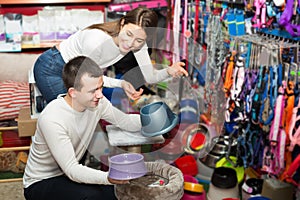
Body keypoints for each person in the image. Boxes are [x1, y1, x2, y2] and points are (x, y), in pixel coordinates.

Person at [23, 56, 142, 200]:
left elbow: (125, 121)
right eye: (93, 91)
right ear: (73, 92)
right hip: (41, 182)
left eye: (101, 87)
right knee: (92, 197)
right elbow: (72, 169)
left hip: (67, 175)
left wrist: (151, 120)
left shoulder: (98, 103)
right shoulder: (53, 118)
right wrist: (109, 177)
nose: (100, 95)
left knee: (116, 193)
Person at [33, 6, 188, 104]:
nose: (130, 43)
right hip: (53, 67)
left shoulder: (137, 43)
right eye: (128, 34)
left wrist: (169, 71)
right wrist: (120, 84)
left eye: (139, 40)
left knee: (81, 119)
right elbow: (88, 79)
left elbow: (150, 77)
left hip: (79, 72)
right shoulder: (96, 39)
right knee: (68, 117)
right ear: (122, 24)